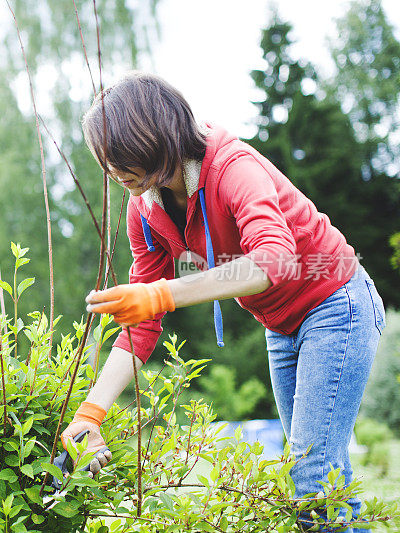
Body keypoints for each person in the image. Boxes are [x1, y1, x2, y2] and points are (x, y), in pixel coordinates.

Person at [60, 71, 385, 532]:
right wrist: (89, 415)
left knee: (314, 472)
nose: (112, 171)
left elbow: (273, 259)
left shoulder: (232, 167)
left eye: (119, 156)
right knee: (314, 472)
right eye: (105, 161)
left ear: (153, 135)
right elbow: (141, 327)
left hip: (336, 304)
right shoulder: (146, 212)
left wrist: (160, 294)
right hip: (282, 324)